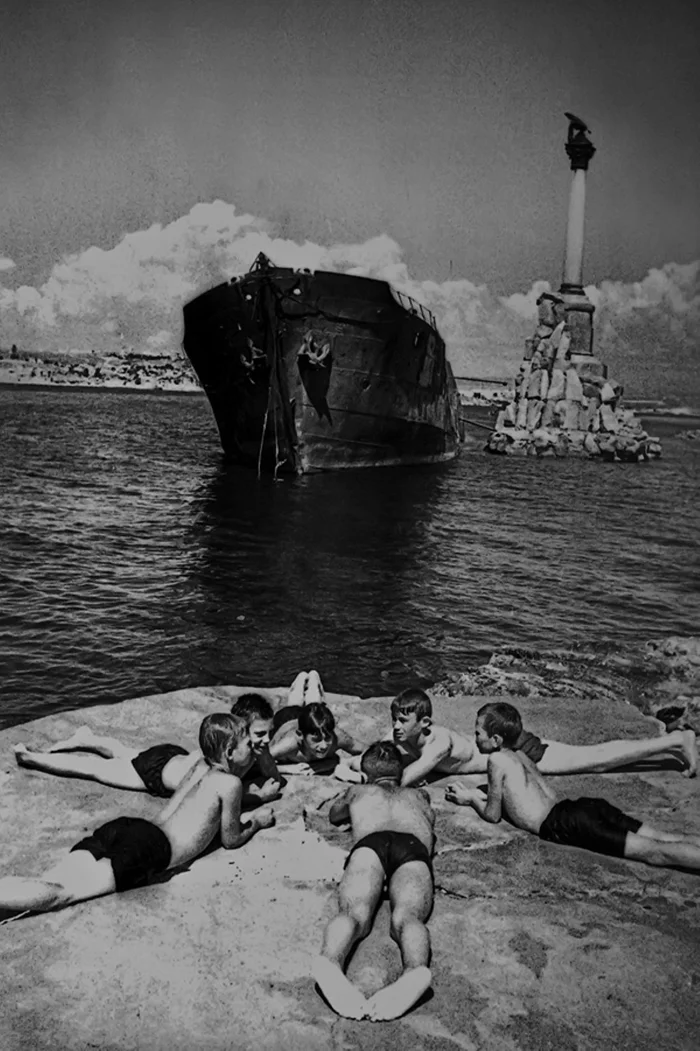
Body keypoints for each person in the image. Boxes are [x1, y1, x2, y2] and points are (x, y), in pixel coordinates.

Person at [0, 713, 276, 917]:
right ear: (229, 751)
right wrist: (257, 822)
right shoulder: (230, 784)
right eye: (248, 746)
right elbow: (231, 839)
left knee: (53, 879)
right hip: (149, 849)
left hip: (128, 828)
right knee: (62, 893)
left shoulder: (198, 765)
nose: (253, 750)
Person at [444, 702, 700, 874]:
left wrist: (470, 798)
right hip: (581, 808)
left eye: (478, 734)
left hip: (567, 824)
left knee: (654, 853)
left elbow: (492, 815)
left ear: (495, 739)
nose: (475, 738)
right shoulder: (522, 756)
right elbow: (545, 794)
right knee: (663, 837)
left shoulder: (496, 760)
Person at [335, 687, 698, 786]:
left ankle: (674, 741)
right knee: (593, 758)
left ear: (424, 723)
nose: (396, 727)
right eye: (395, 720)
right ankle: (672, 742)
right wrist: (345, 766)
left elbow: (407, 779)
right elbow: (366, 757)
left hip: (519, 750)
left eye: (403, 720)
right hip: (500, 748)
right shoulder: (398, 733)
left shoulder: (438, 742)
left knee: (596, 760)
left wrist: (359, 777)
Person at [313, 741, 435, 1022]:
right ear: (401, 773)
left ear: (366, 774)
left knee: (354, 913)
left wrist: (353, 795)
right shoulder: (418, 795)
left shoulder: (358, 791)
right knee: (408, 916)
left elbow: (334, 814)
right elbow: (430, 819)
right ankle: (415, 968)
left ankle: (330, 960)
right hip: (412, 847)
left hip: (371, 844)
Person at [270, 701, 364, 776]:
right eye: (316, 740)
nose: (324, 746)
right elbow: (260, 761)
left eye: (327, 738)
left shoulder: (337, 737)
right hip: (286, 718)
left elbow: (367, 751)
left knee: (314, 712)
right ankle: (299, 685)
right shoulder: (288, 744)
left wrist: (335, 763)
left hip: (307, 723)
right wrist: (288, 769)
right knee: (293, 704)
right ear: (300, 735)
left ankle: (313, 686)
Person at [230, 692, 285, 803]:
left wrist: (264, 754)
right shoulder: (230, 754)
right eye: (260, 734)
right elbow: (223, 798)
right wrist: (261, 796)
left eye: (270, 732)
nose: (267, 740)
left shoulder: (257, 747)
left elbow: (274, 779)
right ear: (240, 732)